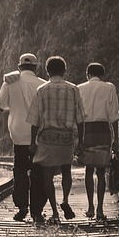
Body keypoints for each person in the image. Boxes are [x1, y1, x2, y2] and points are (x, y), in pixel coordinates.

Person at [28, 56, 84, 225]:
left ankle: (54, 212)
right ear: (64, 71)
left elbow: (35, 119)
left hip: (47, 139)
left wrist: (32, 142)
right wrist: (80, 141)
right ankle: (65, 200)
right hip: (66, 138)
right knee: (67, 171)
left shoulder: (42, 90)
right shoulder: (73, 89)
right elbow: (80, 118)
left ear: (47, 71)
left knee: (47, 175)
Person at [0, 53, 47, 221]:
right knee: (38, 172)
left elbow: (2, 105)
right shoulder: (43, 84)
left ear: (19, 67)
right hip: (38, 135)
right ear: (36, 67)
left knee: (20, 170)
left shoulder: (9, 83)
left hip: (18, 134)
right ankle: (37, 210)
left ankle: (22, 206)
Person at [77, 62, 119, 221]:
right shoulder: (109, 87)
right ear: (102, 75)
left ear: (87, 74)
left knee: (89, 170)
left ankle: (90, 207)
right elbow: (114, 116)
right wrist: (116, 139)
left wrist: (77, 139)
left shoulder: (79, 88)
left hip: (86, 131)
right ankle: (100, 210)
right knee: (101, 171)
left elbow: (78, 116)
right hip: (103, 131)